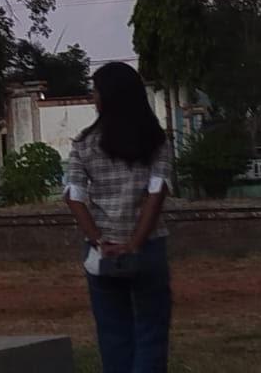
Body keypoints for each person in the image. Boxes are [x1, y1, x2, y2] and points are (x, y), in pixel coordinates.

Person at [63, 61, 174, 373]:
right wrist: (136, 243)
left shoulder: (83, 143)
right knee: (151, 331)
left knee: (113, 333)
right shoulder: (155, 140)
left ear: (107, 97)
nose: (93, 97)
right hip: (149, 246)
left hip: (101, 251)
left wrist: (98, 240)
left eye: (95, 91)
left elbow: (73, 195)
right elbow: (158, 190)